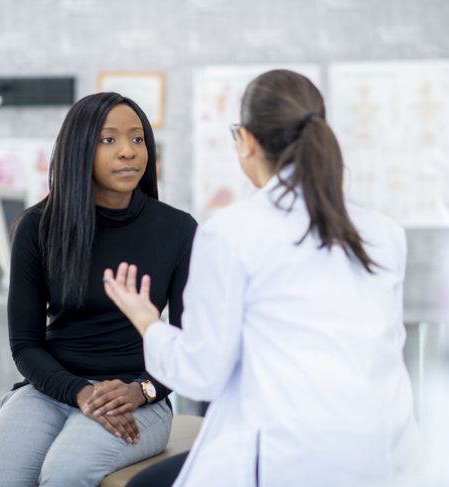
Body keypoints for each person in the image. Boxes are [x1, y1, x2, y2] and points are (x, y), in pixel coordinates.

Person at [97, 70, 420, 486]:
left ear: (246, 141)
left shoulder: (233, 232)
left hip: (289, 459)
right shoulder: (383, 231)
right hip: (389, 456)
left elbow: (202, 375)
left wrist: (147, 322)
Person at [0, 92, 197, 486]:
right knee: (0, 478)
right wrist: (79, 393)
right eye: (108, 140)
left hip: (140, 397)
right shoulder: (37, 227)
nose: (128, 151)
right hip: (52, 389)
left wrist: (141, 391)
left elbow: (190, 344)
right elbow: (25, 344)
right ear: (79, 149)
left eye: (137, 138)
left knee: (65, 472)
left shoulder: (178, 230)